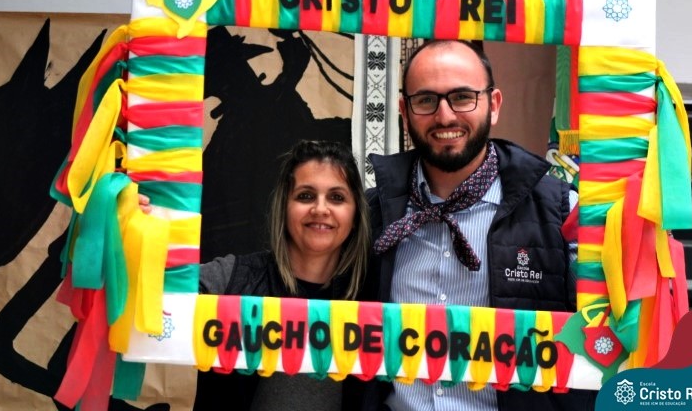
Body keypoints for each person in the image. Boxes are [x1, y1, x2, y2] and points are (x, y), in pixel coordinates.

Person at [364, 40, 595, 410]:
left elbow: (607, 338)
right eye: (426, 100)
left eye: (462, 97)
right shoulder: (370, 216)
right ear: (405, 112)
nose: (445, 116)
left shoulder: (563, 212)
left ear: (494, 104)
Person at [159, 140, 371, 410]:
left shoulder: (374, 293)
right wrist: (136, 229)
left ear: (356, 214)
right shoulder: (234, 278)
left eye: (337, 197)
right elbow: (151, 295)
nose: (320, 209)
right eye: (305, 196)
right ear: (284, 206)